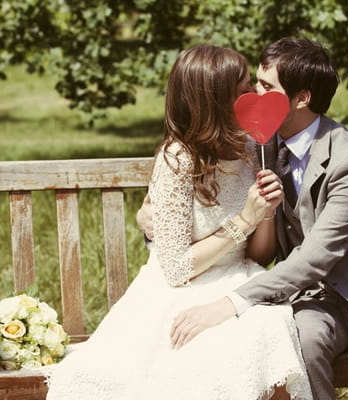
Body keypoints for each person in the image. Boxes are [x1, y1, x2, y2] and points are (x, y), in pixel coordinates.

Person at [138, 38, 348, 400]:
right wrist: (147, 214)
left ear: (301, 98)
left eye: (265, 87)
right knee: (298, 353)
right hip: (310, 301)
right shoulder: (259, 143)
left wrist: (230, 303)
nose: (252, 96)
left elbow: (317, 256)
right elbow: (191, 174)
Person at [46, 43, 313, 400]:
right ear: (216, 101)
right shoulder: (177, 161)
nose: (253, 96)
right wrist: (244, 220)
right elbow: (175, 268)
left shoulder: (252, 149)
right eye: (243, 90)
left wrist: (266, 211)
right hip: (179, 291)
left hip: (237, 280)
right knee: (203, 355)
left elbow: (260, 256)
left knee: (267, 325)